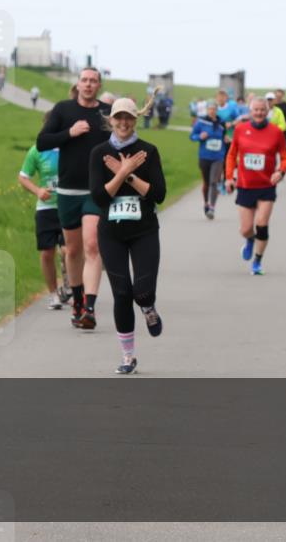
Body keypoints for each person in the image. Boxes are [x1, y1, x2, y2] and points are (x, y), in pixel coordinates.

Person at [89, 97, 167, 374]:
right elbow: (99, 197)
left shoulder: (148, 151)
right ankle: (128, 356)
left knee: (142, 292)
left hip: (144, 231)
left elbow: (158, 194)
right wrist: (122, 171)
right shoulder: (99, 153)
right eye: (118, 117)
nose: (123, 123)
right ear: (110, 120)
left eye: (129, 118)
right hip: (111, 233)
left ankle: (148, 307)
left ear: (136, 120)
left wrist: (130, 176)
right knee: (121, 294)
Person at [37, 67, 112, 329]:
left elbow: (118, 143)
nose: (88, 84)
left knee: (92, 245)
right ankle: (78, 301)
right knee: (73, 250)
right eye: (84, 80)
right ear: (78, 84)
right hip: (68, 191)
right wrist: (69, 133)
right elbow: (42, 142)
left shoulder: (105, 113)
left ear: (99, 85)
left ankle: (89, 308)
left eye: (93, 81)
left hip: (95, 191)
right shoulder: (63, 110)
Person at [224, 95, 286, 275]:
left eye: (262, 110)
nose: (259, 113)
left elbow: (285, 156)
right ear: (250, 111)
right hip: (245, 185)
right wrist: (229, 177)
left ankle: (258, 261)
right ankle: (250, 240)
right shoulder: (240, 129)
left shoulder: (276, 132)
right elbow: (231, 155)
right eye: (256, 110)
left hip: (267, 185)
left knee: (261, 224)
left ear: (267, 111)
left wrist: (281, 171)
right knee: (246, 229)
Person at [19, 122, 69, 309]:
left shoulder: (70, 148)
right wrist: (38, 191)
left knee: (67, 251)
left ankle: (70, 284)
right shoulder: (37, 150)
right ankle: (53, 294)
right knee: (47, 253)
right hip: (46, 209)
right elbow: (23, 176)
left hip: (68, 206)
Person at [190, 101, 227, 219]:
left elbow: (224, 136)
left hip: (218, 157)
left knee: (214, 182)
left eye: (214, 109)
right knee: (206, 183)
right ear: (207, 110)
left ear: (216, 110)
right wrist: (199, 137)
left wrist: (226, 139)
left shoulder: (221, 123)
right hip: (204, 157)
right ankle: (206, 202)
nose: (212, 111)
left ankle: (212, 207)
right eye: (210, 109)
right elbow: (192, 136)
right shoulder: (201, 122)